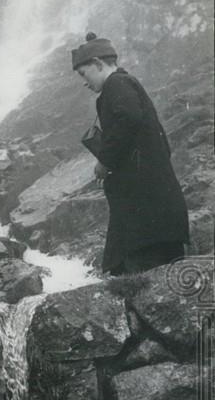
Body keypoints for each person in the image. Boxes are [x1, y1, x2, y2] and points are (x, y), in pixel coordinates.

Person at [72, 32, 189, 275]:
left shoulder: (117, 84)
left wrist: (105, 161)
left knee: (141, 274)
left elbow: (128, 118)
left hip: (143, 215)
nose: (84, 82)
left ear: (97, 63)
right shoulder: (126, 83)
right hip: (155, 207)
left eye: (84, 74)